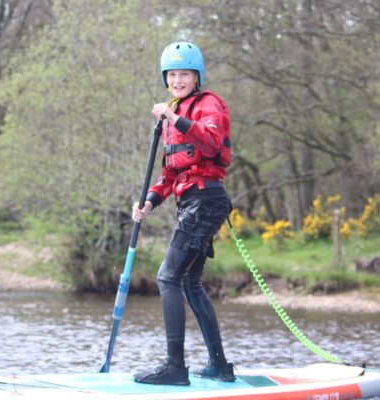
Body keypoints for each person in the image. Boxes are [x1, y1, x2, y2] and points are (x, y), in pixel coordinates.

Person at [132, 42, 235, 386]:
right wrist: (149, 200)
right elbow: (170, 173)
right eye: (172, 74)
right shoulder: (172, 116)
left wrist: (174, 116)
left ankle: (175, 367)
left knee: (167, 277)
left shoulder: (209, 105)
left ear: (196, 76)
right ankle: (220, 366)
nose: (178, 80)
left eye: (184, 74)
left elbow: (210, 142)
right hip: (191, 202)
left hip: (206, 200)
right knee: (189, 282)